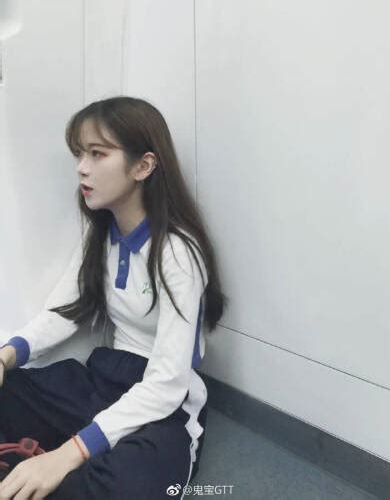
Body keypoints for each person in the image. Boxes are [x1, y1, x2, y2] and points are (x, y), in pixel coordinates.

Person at [0, 96, 227, 499]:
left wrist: (68, 454)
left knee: (130, 486)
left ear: (143, 166)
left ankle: (36, 473)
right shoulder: (100, 232)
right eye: (79, 154)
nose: (81, 167)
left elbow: (167, 383)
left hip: (164, 404)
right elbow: (65, 312)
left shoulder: (178, 252)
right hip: (104, 377)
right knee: (9, 391)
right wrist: (5, 356)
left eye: (97, 153)